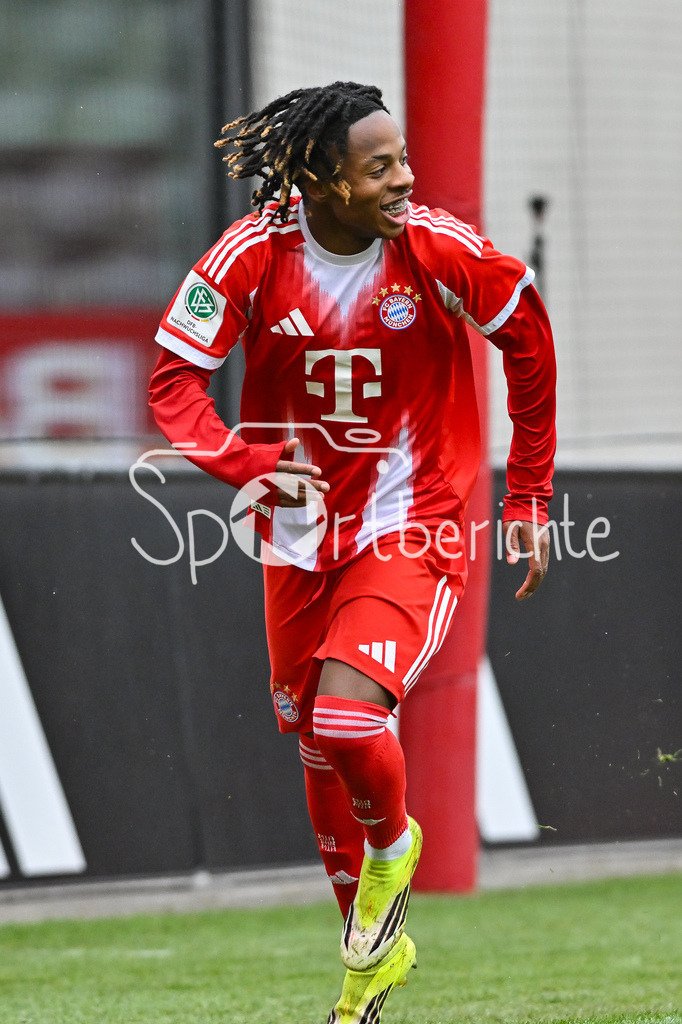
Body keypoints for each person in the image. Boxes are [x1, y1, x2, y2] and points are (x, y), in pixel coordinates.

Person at [149, 81, 556, 1024]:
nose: (406, 180)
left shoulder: (439, 249)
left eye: (406, 159)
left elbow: (527, 340)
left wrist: (529, 490)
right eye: (382, 167)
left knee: (345, 722)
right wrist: (248, 461)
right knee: (315, 742)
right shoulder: (252, 254)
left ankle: (391, 851)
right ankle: (369, 962)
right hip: (297, 536)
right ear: (325, 179)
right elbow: (175, 382)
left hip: (415, 523)